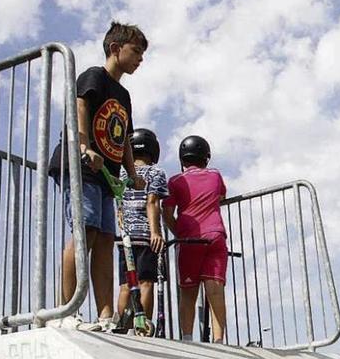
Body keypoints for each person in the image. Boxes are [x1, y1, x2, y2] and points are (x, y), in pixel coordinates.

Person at [59, 21, 147, 330]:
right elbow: (79, 106)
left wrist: (132, 173)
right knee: (86, 232)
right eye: (136, 51)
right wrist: (84, 145)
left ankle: (105, 315)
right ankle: (66, 311)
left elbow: (123, 137)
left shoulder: (123, 94)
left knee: (107, 240)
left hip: (108, 175)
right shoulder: (94, 76)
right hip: (83, 165)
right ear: (115, 48)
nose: (140, 59)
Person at [161, 136, 228, 342]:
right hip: (216, 235)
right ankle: (219, 341)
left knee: (188, 292)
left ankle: (188, 338)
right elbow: (221, 197)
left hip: (189, 240)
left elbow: (167, 213)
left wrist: (178, 233)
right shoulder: (216, 176)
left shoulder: (175, 181)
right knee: (215, 291)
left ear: (182, 160)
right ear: (206, 158)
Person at [116, 128, 167, 320]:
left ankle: (121, 327)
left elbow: (119, 206)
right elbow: (152, 202)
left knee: (126, 285)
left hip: (125, 238)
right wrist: (155, 232)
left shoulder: (122, 173)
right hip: (145, 237)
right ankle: (143, 327)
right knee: (146, 283)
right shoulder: (155, 172)